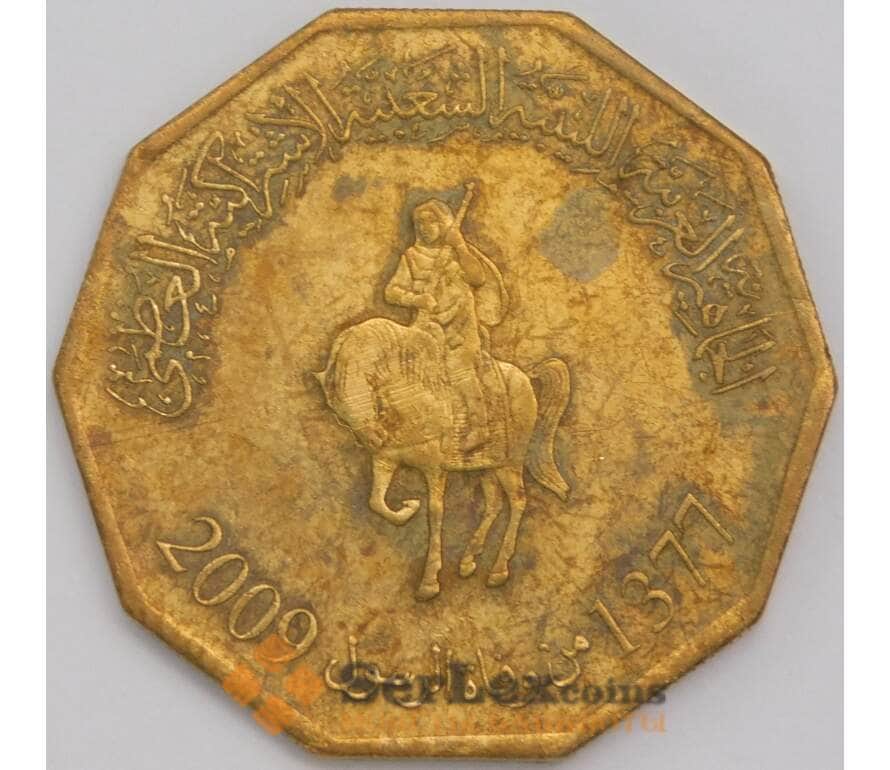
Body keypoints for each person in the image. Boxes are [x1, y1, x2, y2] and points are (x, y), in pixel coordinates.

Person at [384, 197, 501, 451]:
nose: (425, 227)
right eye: (419, 223)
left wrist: (459, 245)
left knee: (458, 369)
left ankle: (479, 426)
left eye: (431, 222)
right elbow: (391, 292)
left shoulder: (457, 253)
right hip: (426, 326)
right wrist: (416, 299)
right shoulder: (412, 257)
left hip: (460, 329)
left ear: (444, 223)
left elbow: (478, 278)